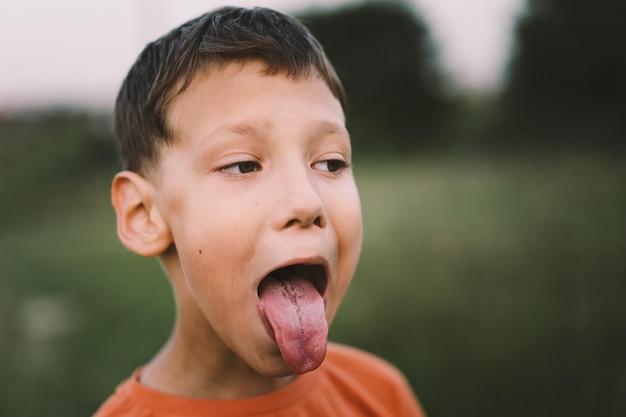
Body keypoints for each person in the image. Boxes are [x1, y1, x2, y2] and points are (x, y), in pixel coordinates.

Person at [94, 6, 426, 417]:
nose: (307, 202)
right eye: (242, 165)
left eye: (331, 163)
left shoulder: (380, 395)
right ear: (144, 214)